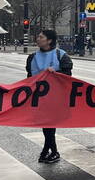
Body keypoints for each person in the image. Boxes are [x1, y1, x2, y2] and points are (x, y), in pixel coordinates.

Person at [25, 29, 73, 164]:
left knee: (49, 124)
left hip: (55, 97)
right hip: (39, 97)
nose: (37, 39)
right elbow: (29, 77)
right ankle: (48, 150)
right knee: (46, 124)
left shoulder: (61, 55)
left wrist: (56, 72)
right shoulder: (32, 57)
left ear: (49, 40)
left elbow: (67, 76)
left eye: (41, 37)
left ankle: (52, 151)